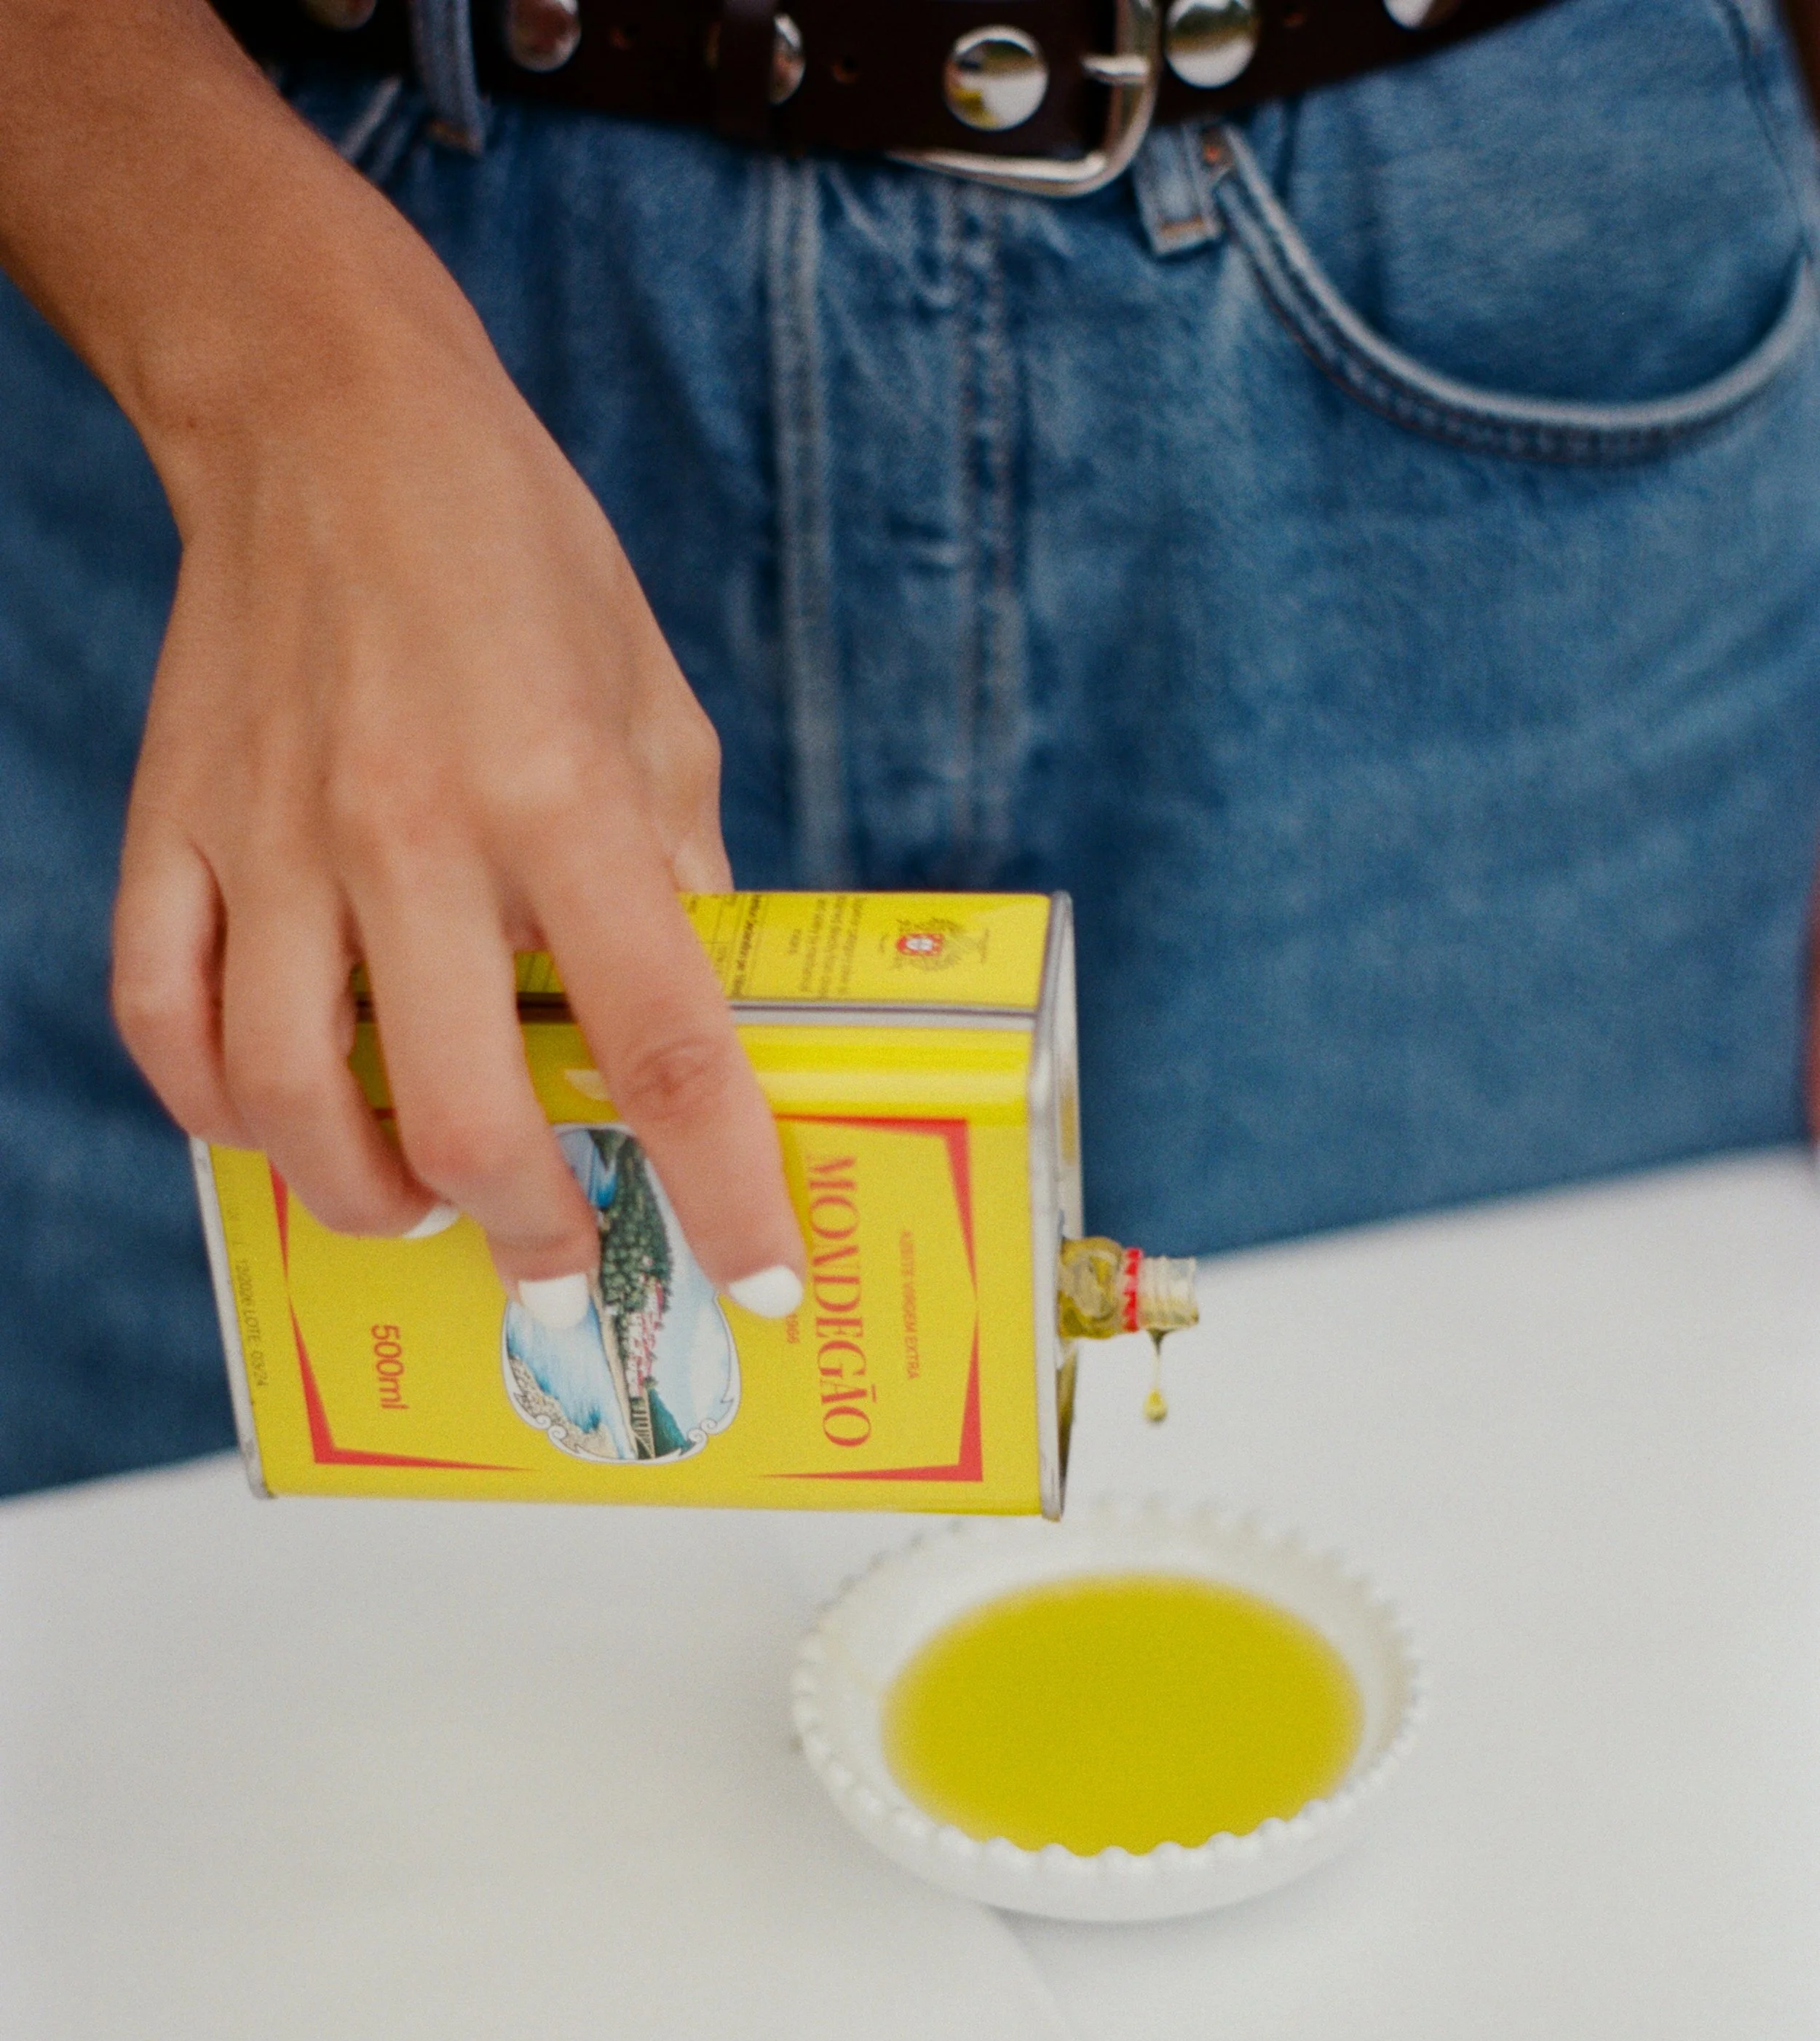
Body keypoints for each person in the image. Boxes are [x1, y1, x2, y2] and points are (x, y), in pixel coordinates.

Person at [3, 0, 1819, 1496]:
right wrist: (267, 357)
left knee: (1510, 1622)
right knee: (285, 1793)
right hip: (279, 294)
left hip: (1506, 354)